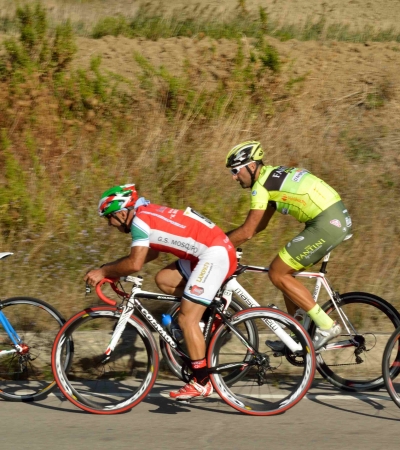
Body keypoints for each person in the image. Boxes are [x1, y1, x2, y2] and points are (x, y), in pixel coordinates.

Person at [84, 184, 237, 400]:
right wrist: (114, 270)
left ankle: (202, 381)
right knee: (164, 279)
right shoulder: (146, 212)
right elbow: (150, 255)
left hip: (213, 255)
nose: (110, 224)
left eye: (109, 217)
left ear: (120, 213)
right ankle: (210, 312)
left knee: (186, 320)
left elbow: (135, 263)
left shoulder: (139, 221)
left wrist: (104, 271)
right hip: (206, 250)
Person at [223, 141, 353, 350]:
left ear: (252, 166)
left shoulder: (261, 187)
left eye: (236, 171)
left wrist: (217, 243)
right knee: (286, 274)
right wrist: (227, 238)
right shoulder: (271, 176)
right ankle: (299, 335)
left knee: (277, 272)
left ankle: (327, 325)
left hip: (327, 222)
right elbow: (258, 226)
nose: (234, 177)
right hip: (332, 217)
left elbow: (247, 231)